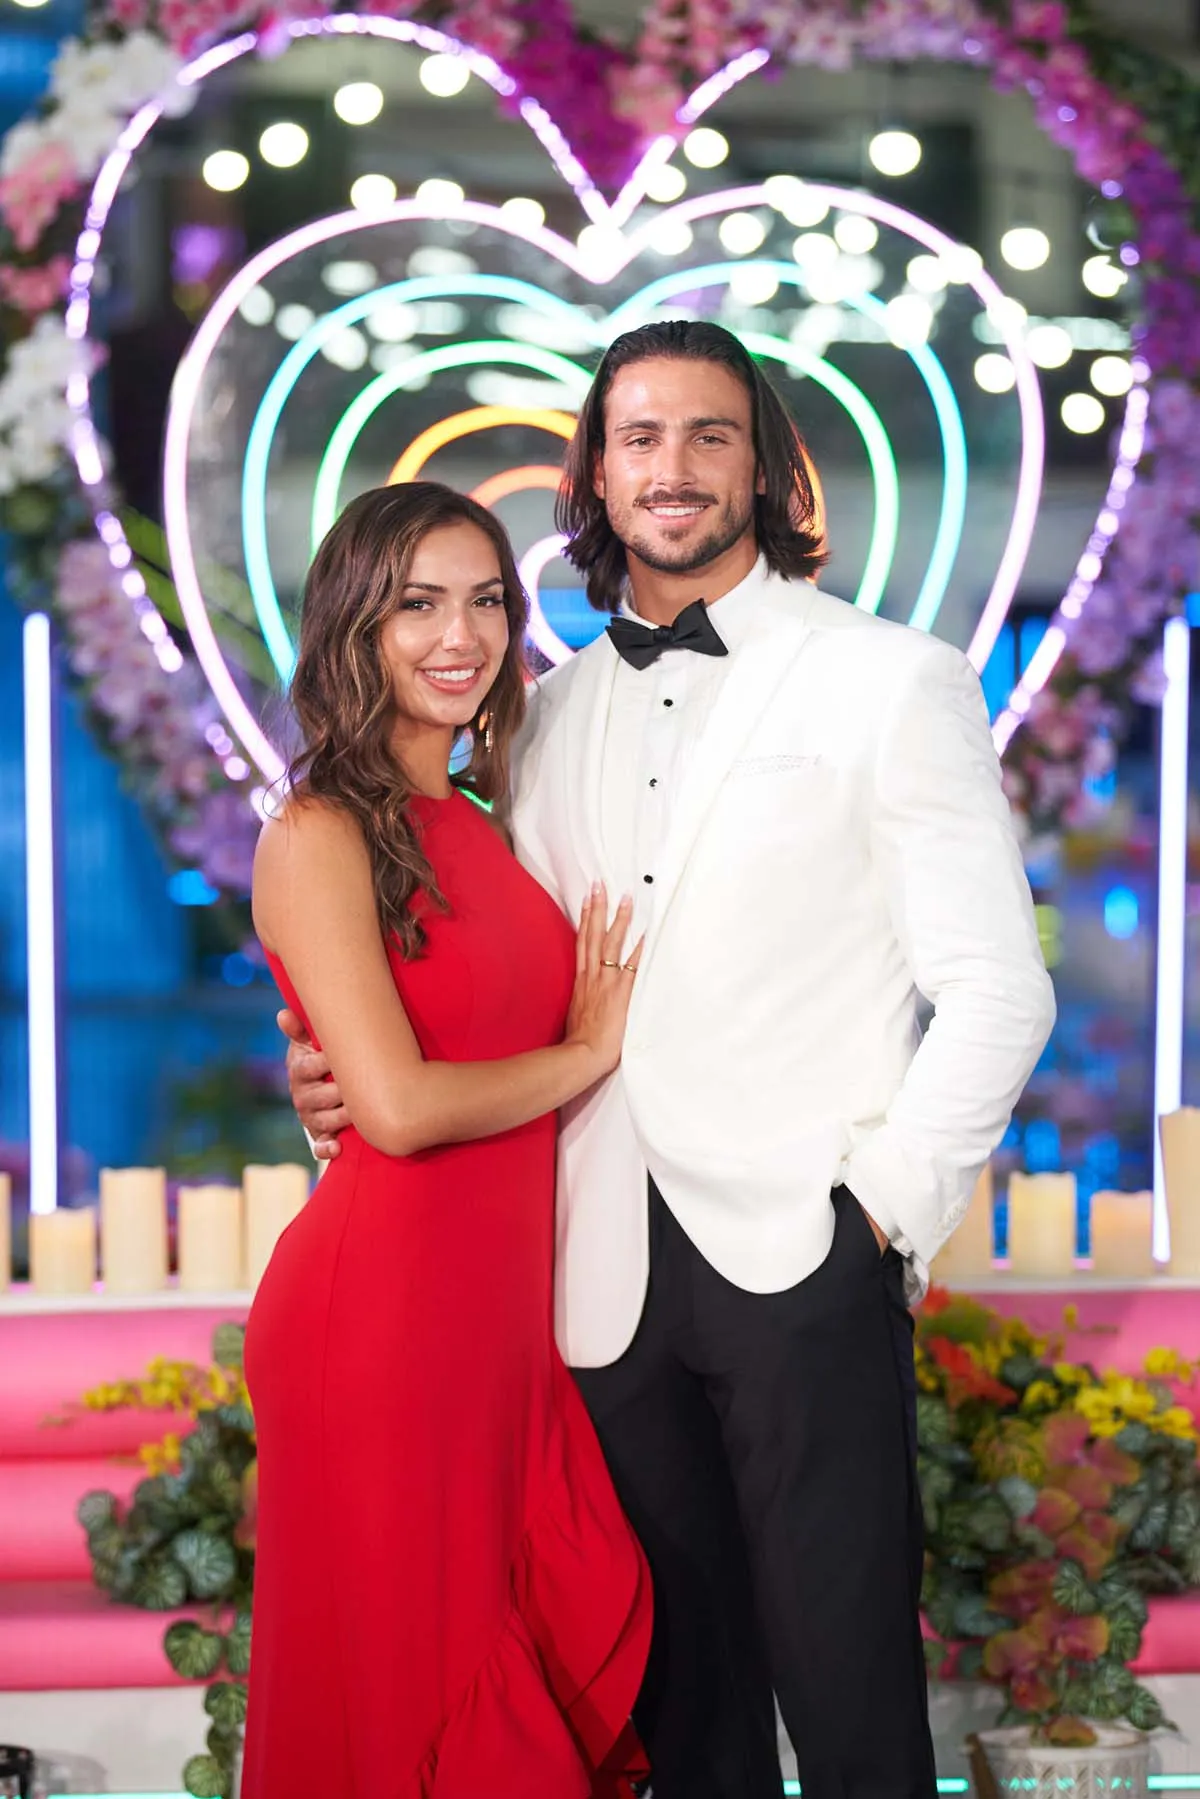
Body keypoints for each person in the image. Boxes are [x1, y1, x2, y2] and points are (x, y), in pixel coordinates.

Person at [285, 320, 1057, 1799]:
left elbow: (997, 988)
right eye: (639, 437)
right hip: (586, 1276)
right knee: (683, 1721)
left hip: (802, 1249)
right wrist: (328, 1073)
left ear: (764, 468)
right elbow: (468, 981)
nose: (675, 466)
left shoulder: (889, 678)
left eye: (711, 434)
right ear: (594, 472)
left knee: (854, 1709)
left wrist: (882, 1211)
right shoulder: (537, 714)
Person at [243, 481, 652, 1799]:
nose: (459, 635)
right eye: (417, 603)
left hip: (500, 1326)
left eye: (485, 600)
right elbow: (402, 1107)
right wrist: (586, 1052)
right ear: (352, 624)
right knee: (409, 1695)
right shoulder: (315, 830)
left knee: (506, 1649)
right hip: (382, 1318)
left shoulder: (488, 817)